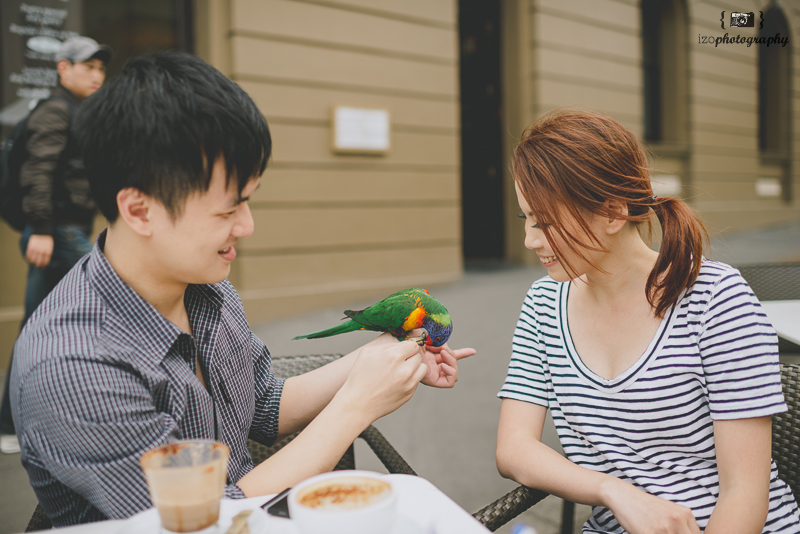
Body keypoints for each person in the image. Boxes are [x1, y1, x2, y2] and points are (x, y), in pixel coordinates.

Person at [9, 50, 475, 527]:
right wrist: (356, 407)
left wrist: (380, 357)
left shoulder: (207, 290)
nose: (247, 227)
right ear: (140, 210)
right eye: (228, 210)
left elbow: (262, 409)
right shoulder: (73, 366)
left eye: (248, 202)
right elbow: (206, 521)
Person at [495, 110, 800, 533]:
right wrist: (613, 491)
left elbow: (744, 495)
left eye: (544, 222)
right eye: (526, 219)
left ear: (613, 213)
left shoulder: (715, 297)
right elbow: (513, 450)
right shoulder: (543, 303)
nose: (530, 240)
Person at [0, 36, 111, 455]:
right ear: (63, 68)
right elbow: (38, 170)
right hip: (58, 231)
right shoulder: (56, 110)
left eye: (100, 68)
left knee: (36, 326)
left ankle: (10, 425)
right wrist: (42, 228)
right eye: (88, 67)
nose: (97, 75)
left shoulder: (75, 111)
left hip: (61, 229)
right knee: (117, 296)